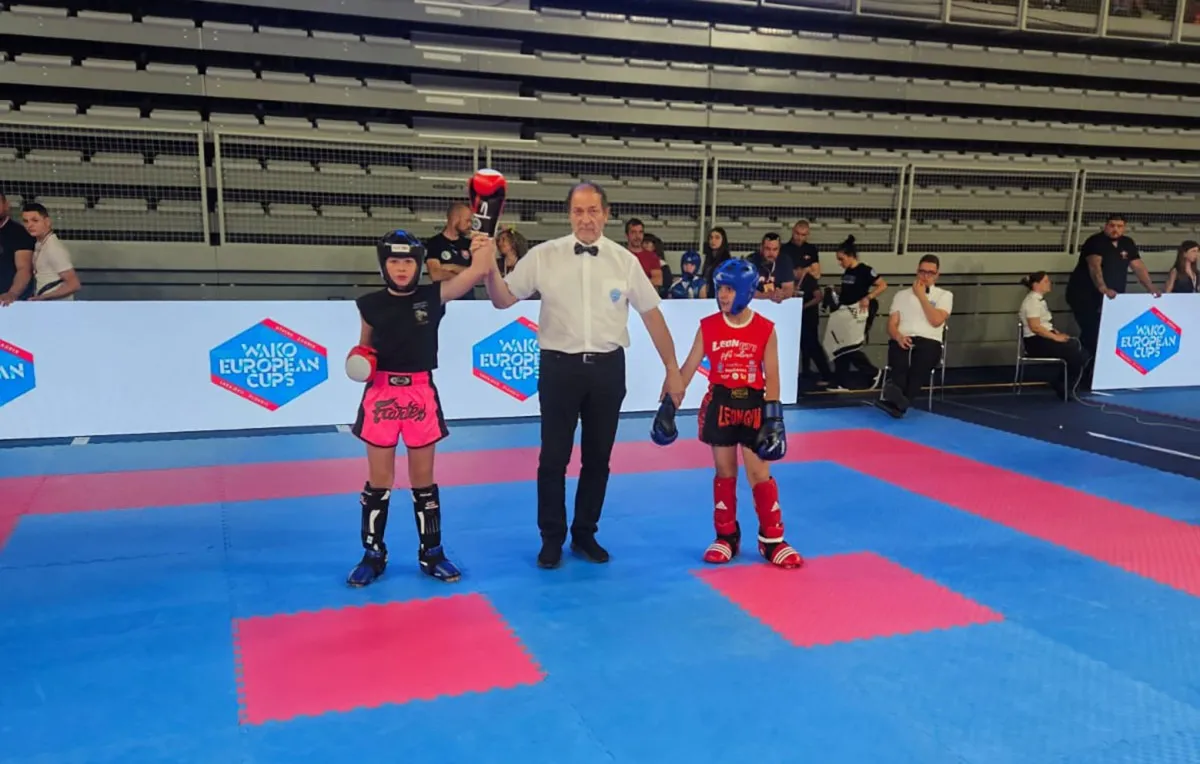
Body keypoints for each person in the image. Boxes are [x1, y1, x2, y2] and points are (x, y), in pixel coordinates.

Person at [482, 181, 684, 569]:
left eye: (593, 211)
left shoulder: (625, 261)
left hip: (608, 369)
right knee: (552, 458)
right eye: (578, 211)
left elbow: (652, 315)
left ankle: (585, 533)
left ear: (606, 215)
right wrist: (489, 267)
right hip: (559, 368)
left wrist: (672, 369)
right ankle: (551, 538)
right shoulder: (544, 256)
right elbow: (503, 299)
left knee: (598, 458)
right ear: (569, 215)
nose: (586, 219)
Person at [343, 229, 491, 587]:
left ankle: (432, 554)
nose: (401, 268)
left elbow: (475, 273)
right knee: (379, 481)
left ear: (419, 264)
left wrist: (483, 245)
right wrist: (358, 360)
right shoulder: (370, 304)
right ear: (384, 264)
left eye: (408, 261)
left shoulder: (433, 295)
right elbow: (365, 347)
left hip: (420, 394)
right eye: (394, 261)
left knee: (423, 480)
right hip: (381, 394)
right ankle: (372, 555)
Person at [657, 258, 803, 569]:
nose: (722, 295)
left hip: (754, 405)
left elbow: (773, 375)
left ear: (745, 291)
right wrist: (669, 406)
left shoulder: (765, 328)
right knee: (724, 472)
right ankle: (726, 537)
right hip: (721, 403)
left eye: (729, 289)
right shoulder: (708, 326)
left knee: (759, 473)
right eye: (720, 289)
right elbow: (687, 369)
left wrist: (774, 419)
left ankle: (772, 539)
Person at [1065, 214, 1159, 387]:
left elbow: (1138, 266)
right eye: (1112, 225)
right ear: (1105, 226)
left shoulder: (1127, 243)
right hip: (1085, 295)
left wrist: (1150, 286)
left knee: (1104, 334)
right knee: (1092, 333)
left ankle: (1090, 372)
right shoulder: (1095, 241)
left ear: (1124, 228)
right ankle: (1078, 375)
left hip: (1112, 299)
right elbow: (1095, 266)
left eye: (1119, 226)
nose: (1115, 229)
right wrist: (1102, 287)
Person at [876, 255, 952, 418]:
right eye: (922, 272)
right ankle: (900, 403)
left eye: (930, 273)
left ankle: (898, 400)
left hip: (929, 341)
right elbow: (891, 324)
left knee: (921, 363)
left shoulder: (944, 295)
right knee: (899, 362)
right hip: (903, 337)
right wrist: (898, 336)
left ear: (937, 275)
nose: (925, 276)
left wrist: (922, 296)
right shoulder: (901, 295)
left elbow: (936, 321)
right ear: (917, 272)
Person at [822, 235, 887, 390]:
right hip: (845, 310)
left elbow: (882, 285)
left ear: (851, 256)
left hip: (858, 311)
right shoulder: (847, 272)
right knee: (840, 344)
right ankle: (840, 380)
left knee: (849, 346)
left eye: (842, 259)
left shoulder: (865, 270)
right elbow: (849, 290)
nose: (840, 263)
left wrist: (868, 297)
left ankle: (872, 372)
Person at [1019, 271, 1090, 400]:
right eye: (1046, 281)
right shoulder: (1032, 302)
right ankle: (1062, 385)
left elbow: (1044, 323)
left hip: (1044, 337)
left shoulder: (1039, 300)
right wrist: (1055, 338)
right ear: (1036, 285)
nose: (1049, 283)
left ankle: (1064, 383)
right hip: (1036, 342)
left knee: (1079, 349)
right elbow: (1035, 327)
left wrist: (1056, 332)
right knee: (1074, 352)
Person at [20, 203, 81, 301]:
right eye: (26, 221)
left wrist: (42, 298)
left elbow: (74, 284)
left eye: (35, 220)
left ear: (47, 222)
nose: (29, 225)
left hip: (56, 306)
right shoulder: (40, 243)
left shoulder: (53, 247)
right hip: (49, 304)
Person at [0, 191, 35, 307]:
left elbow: (24, 269)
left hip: (12, 305)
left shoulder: (20, 233)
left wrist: (12, 294)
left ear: (6, 205)